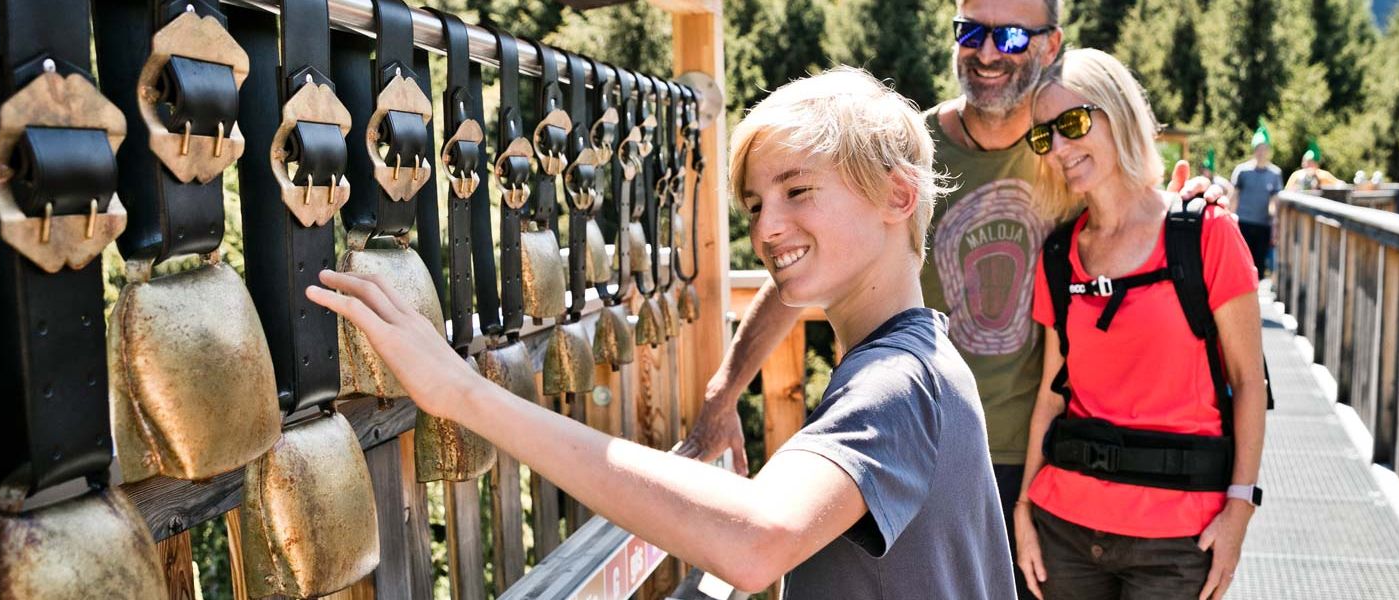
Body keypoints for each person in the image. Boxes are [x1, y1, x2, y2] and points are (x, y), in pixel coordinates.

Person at [307, 68, 1015, 598]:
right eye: (755, 203)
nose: (767, 228)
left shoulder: (894, 384)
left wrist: (462, 393)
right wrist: (726, 384)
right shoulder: (923, 356)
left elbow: (757, 539)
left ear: (899, 195)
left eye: (798, 191)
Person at [681, 2, 1065, 596]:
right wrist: (725, 388)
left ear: (1048, 45)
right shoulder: (908, 145)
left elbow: (1126, 220)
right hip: (901, 434)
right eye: (971, 31)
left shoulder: (1061, 157)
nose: (988, 53)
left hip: (1021, 450)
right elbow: (809, 265)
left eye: (1011, 36)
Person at [1012, 49, 1267, 600]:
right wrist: (1025, 507)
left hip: (1179, 540)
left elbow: (1250, 382)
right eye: (1042, 137)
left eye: (1073, 123)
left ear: (1118, 113)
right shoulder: (1058, 254)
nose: (1058, 148)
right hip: (1065, 529)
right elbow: (1053, 396)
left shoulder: (1205, 235)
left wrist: (1239, 511)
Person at [1228, 127, 1282, 278]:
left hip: (1262, 224)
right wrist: (1229, 218)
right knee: (1241, 260)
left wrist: (1275, 224)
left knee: (1258, 263)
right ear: (1254, 150)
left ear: (1268, 151)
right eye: (1258, 149)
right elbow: (1234, 196)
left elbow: (1275, 202)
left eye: (1264, 149)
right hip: (1243, 222)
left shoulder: (1275, 174)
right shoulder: (1242, 171)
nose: (1261, 152)